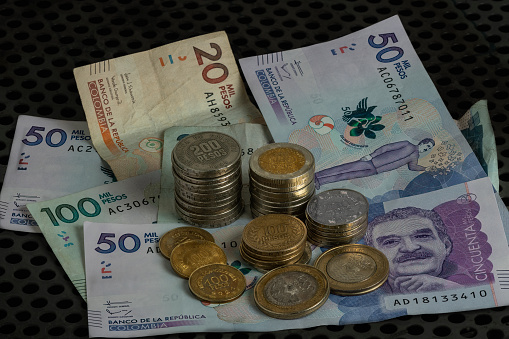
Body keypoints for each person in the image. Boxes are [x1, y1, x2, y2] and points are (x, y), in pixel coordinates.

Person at [364, 206, 472, 293]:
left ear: (447, 246)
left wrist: (454, 290)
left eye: (422, 236)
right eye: (390, 242)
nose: (410, 248)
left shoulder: (474, 284)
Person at [314, 138, 435, 189]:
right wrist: (371, 155)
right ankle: (317, 175)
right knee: (345, 168)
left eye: (429, 148)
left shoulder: (415, 156)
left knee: (346, 175)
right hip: (372, 161)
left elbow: (413, 167)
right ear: (422, 142)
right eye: (427, 145)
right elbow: (387, 147)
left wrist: (426, 168)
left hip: (375, 171)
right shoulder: (407, 144)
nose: (427, 148)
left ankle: (321, 181)